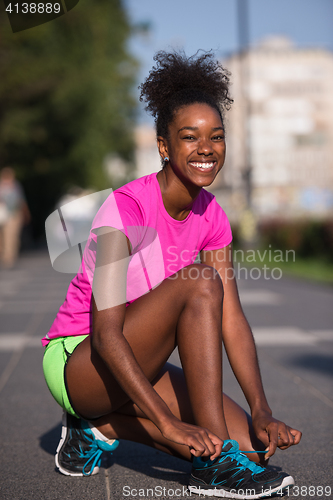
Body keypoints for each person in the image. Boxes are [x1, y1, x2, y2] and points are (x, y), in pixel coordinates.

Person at [42, 51, 301, 498]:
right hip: (80, 361)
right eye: (189, 137)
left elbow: (232, 320)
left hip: (140, 356)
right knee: (200, 280)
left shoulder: (213, 215)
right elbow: (105, 335)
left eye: (216, 137)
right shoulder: (126, 209)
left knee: (256, 450)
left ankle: (100, 427)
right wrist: (169, 423)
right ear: (164, 146)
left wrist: (261, 409)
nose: (206, 148)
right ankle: (213, 466)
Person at [0, 167, 30, 268]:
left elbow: (21, 201)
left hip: (14, 214)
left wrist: (25, 213)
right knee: (2, 237)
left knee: (12, 236)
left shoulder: (16, 186)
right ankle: (4, 255)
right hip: (2, 215)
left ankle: (9, 258)